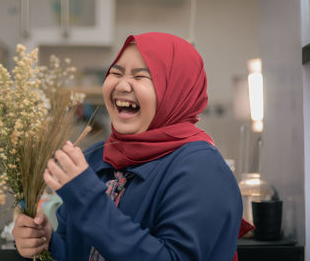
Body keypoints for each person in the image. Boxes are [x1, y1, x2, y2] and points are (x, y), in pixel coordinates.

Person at [13, 32, 247, 261]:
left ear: (174, 91)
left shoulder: (202, 169)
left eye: (140, 76)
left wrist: (87, 198)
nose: (122, 84)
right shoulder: (95, 159)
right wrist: (47, 241)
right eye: (116, 72)